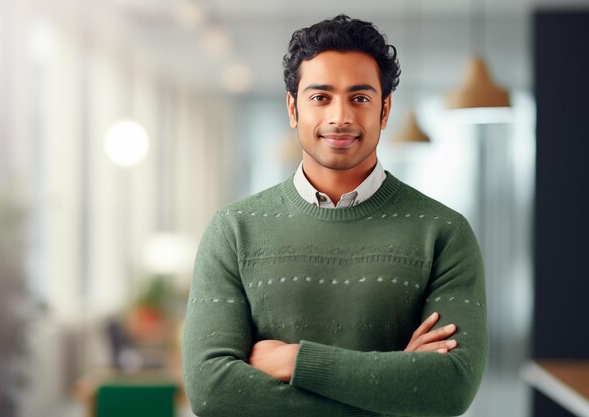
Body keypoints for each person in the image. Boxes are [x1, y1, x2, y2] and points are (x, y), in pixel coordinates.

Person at [182, 14, 487, 417]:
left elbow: (449, 389)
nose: (340, 117)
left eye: (359, 98)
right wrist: (394, 388)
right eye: (320, 97)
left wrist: (295, 361)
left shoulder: (444, 232)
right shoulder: (234, 230)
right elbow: (212, 393)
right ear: (293, 108)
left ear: (384, 109)